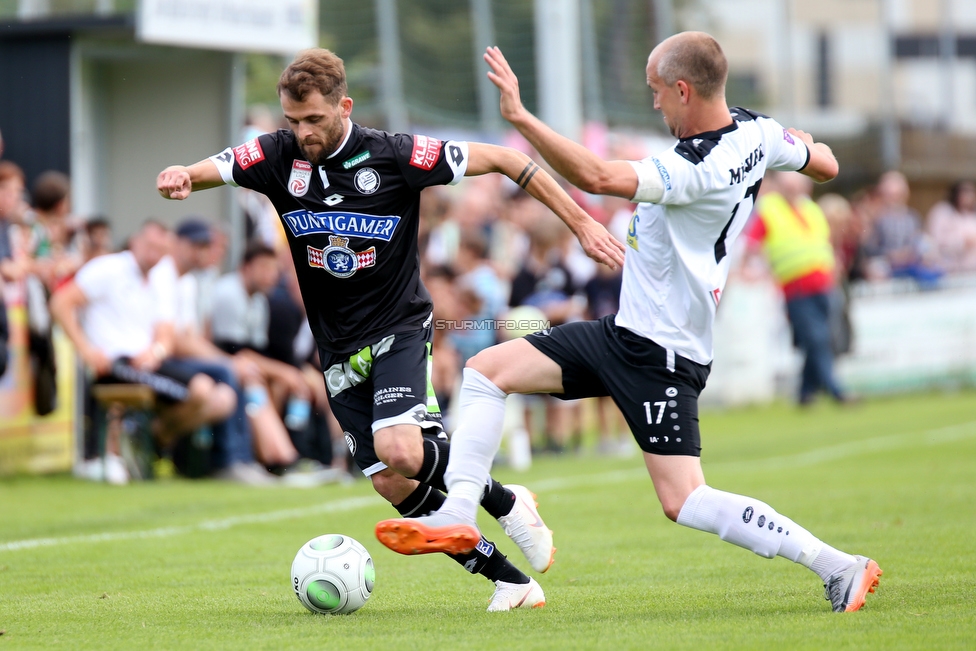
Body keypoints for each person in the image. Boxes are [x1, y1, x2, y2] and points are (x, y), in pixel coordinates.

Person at [376, 32, 882, 614]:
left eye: (657, 92)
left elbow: (594, 176)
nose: (653, 104)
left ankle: (839, 566)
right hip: (626, 333)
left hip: (662, 353)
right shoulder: (757, 131)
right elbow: (826, 162)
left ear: (684, 90)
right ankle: (461, 513)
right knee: (487, 369)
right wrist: (803, 148)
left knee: (684, 500)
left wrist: (521, 118)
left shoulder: (694, 167)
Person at [156, 47, 624, 611]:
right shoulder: (278, 156)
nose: (302, 132)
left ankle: (503, 504)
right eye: (292, 121)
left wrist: (581, 223)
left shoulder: (398, 154)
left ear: (343, 106)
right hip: (335, 348)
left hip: (397, 326)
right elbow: (219, 166)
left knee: (400, 449)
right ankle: (513, 582)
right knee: (393, 484)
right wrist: (186, 174)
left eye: (314, 119)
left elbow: (505, 160)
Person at [49, 220, 266, 485]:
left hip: (146, 363)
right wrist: (87, 350)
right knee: (203, 389)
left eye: (159, 249)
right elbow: (61, 303)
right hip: (116, 362)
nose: (154, 254)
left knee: (224, 398)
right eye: (150, 246)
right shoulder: (109, 268)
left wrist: (157, 350)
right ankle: (145, 445)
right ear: (136, 242)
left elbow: (165, 332)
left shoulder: (158, 279)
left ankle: (150, 438)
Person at [744, 172, 850, 405]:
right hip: (796, 286)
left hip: (823, 282)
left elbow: (822, 242)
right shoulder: (769, 209)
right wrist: (750, 270)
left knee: (821, 339)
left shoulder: (809, 208)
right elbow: (751, 244)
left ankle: (806, 393)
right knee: (817, 338)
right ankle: (836, 390)